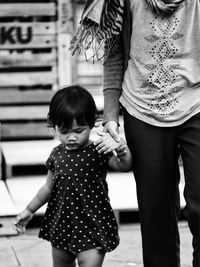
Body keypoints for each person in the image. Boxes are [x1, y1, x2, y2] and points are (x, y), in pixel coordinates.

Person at [70, 1, 200, 267]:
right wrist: (109, 116)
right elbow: (114, 54)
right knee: (156, 214)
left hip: (196, 104)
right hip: (141, 109)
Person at [13, 85, 132, 267]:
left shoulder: (98, 151)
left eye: (78, 131)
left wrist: (122, 151)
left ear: (92, 123)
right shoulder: (56, 154)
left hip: (93, 226)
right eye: (64, 131)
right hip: (62, 225)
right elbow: (47, 187)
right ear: (53, 125)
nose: (71, 138)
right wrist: (29, 210)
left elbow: (123, 166)